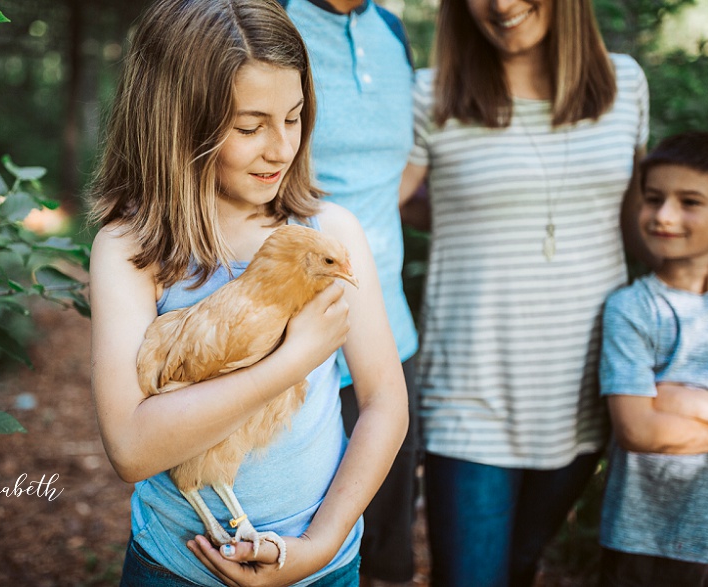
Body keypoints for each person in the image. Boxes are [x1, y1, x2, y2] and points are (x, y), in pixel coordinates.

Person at [87, 0, 408, 586]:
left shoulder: (328, 234)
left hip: (323, 568)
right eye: (250, 126)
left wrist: (317, 545)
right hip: (177, 570)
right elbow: (131, 449)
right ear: (179, 121)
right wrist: (294, 360)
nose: (281, 147)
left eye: (294, 117)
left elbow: (386, 404)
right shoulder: (134, 251)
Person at [398, 0, 649, 585]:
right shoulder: (429, 94)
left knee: (519, 567)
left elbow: (639, 221)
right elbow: (382, 204)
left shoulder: (625, 84)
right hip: (471, 394)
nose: (501, 5)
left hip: (585, 392)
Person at [276, 1, 419, 585]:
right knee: (289, 544)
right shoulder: (271, 19)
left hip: (389, 339)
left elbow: (402, 163)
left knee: (383, 551)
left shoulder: (390, 30)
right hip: (291, 339)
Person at [597, 131, 708, 587]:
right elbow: (638, 429)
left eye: (689, 202)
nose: (665, 216)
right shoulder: (632, 308)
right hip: (643, 541)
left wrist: (681, 402)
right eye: (653, 198)